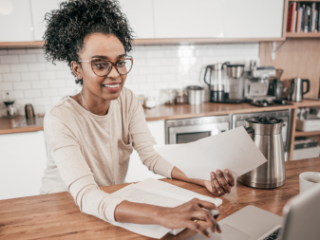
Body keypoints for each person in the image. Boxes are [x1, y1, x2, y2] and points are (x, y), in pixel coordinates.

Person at [40, 0, 235, 238]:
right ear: (77, 69)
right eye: (100, 64)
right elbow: (85, 195)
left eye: (120, 62)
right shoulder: (60, 119)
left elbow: (151, 155)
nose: (115, 74)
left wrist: (202, 178)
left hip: (108, 206)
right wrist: (162, 214)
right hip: (63, 211)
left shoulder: (127, 100)